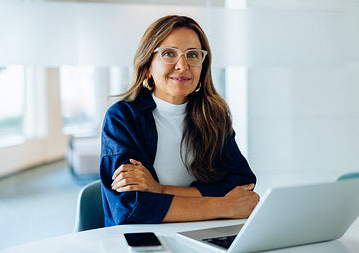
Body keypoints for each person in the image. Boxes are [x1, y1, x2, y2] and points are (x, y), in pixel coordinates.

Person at [100, 15, 259, 227]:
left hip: (204, 231)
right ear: (148, 66)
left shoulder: (214, 116)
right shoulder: (123, 117)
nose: (182, 65)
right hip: (143, 238)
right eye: (169, 53)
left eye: (192, 55)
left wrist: (161, 190)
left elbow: (243, 184)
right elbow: (131, 207)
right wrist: (225, 206)